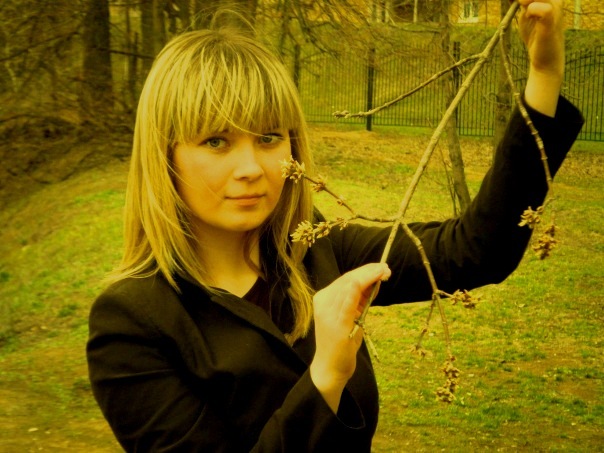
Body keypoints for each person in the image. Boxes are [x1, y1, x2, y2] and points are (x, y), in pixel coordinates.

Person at [87, 1, 583, 451]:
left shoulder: (312, 247)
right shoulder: (132, 324)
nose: (251, 168)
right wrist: (324, 377)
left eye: (268, 137)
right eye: (216, 142)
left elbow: (473, 251)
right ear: (164, 157)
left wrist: (544, 73)